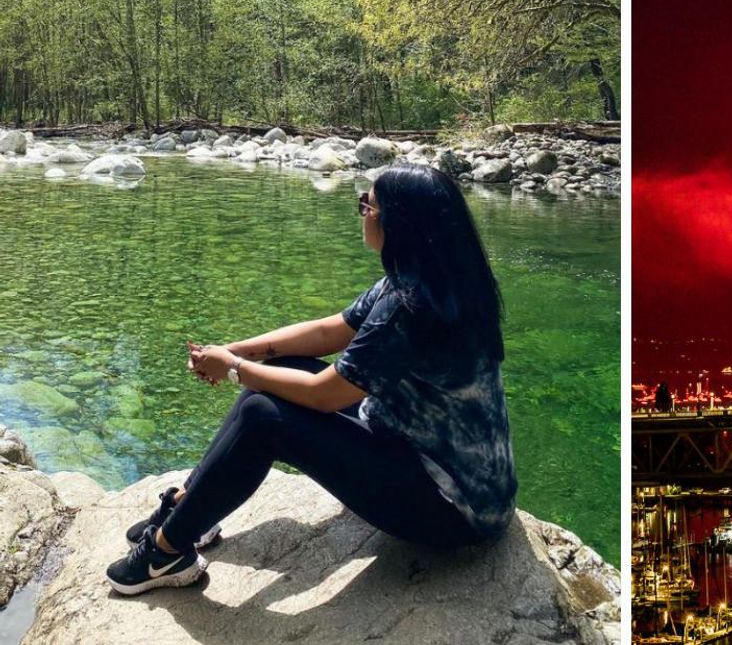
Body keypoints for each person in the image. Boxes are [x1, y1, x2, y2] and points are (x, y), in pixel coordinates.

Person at [105, 165, 518, 595]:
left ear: (397, 222)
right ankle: (190, 507)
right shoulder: (434, 280)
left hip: (453, 507)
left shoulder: (409, 308)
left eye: (366, 205)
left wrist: (231, 367)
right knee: (287, 370)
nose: (361, 212)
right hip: (431, 457)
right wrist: (234, 350)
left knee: (262, 413)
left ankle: (166, 551)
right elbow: (329, 331)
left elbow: (325, 396)